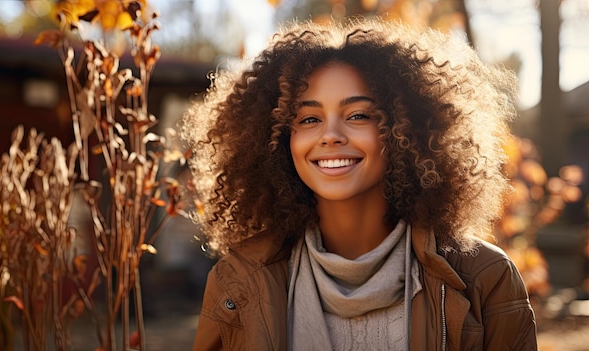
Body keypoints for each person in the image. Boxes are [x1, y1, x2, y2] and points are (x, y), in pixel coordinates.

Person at [182, 17, 537, 351]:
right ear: (277, 139)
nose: (331, 135)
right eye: (309, 118)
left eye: (358, 115)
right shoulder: (236, 281)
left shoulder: (484, 277)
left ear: (407, 131)